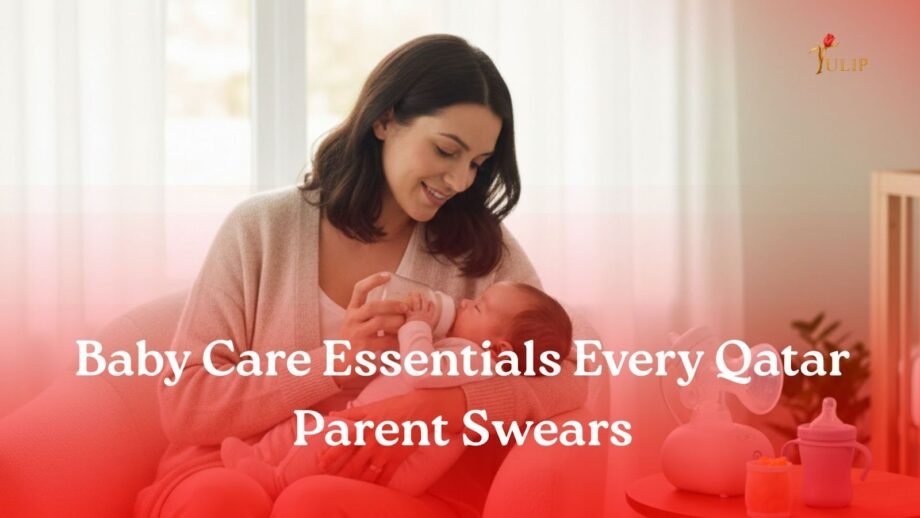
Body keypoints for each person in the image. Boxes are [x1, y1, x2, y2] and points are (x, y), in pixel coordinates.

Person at [134, 33, 586, 518]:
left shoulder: (481, 248)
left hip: (399, 492)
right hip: (238, 464)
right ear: (384, 121)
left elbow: (567, 380)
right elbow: (186, 405)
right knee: (222, 500)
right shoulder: (261, 228)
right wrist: (331, 365)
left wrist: (439, 408)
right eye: (445, 150)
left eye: (477, 163)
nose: (460, 181)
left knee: (311, 504)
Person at [220, 282, 574, 499]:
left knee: (327, 442)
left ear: (500, 349)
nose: (464, 302)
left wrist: (417, 326)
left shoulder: (474, 359)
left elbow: (420, 370)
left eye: (478, 306)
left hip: (396, 465)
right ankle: (261, 454)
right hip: (369, 426)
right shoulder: (466, 354)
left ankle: (275, 480)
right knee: (308, 428)